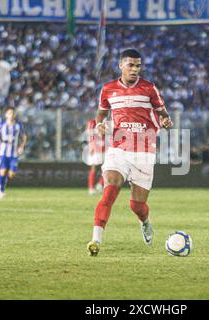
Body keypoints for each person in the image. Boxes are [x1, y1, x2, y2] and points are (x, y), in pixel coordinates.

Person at [87, 49, 173, 256]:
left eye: (138, 66)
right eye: (130, 65)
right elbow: (100, 114)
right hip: (118, 149)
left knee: (137, 205)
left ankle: (145, 222)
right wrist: (99, 125)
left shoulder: (149, 88)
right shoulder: (108, 89)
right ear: (120, 66)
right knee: (110, 190)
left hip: (144, 150)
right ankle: (95, 239)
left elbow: (163, 114)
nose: (134, 69)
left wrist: (165, 121)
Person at [0, 107, 27, 199]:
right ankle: (1, 190)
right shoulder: (2, 125)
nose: (11, 115)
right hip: (3, 152)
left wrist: (21, 146)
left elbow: (24, 137)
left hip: (14, 153)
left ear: (14, 115)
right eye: (9, 113)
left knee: (11, 174)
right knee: (3, 171)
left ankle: (1, 185)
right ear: (6, 115)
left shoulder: (18, 125)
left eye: (12, 113)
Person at [85, 118, 106, 195]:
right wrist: (91, 146)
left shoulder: (106, 122)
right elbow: (90, 135)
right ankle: (91, 188)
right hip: (96, 148)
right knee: (94, 168)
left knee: (107, 168)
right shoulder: (92, 122)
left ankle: (99, 185)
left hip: (104, 148)